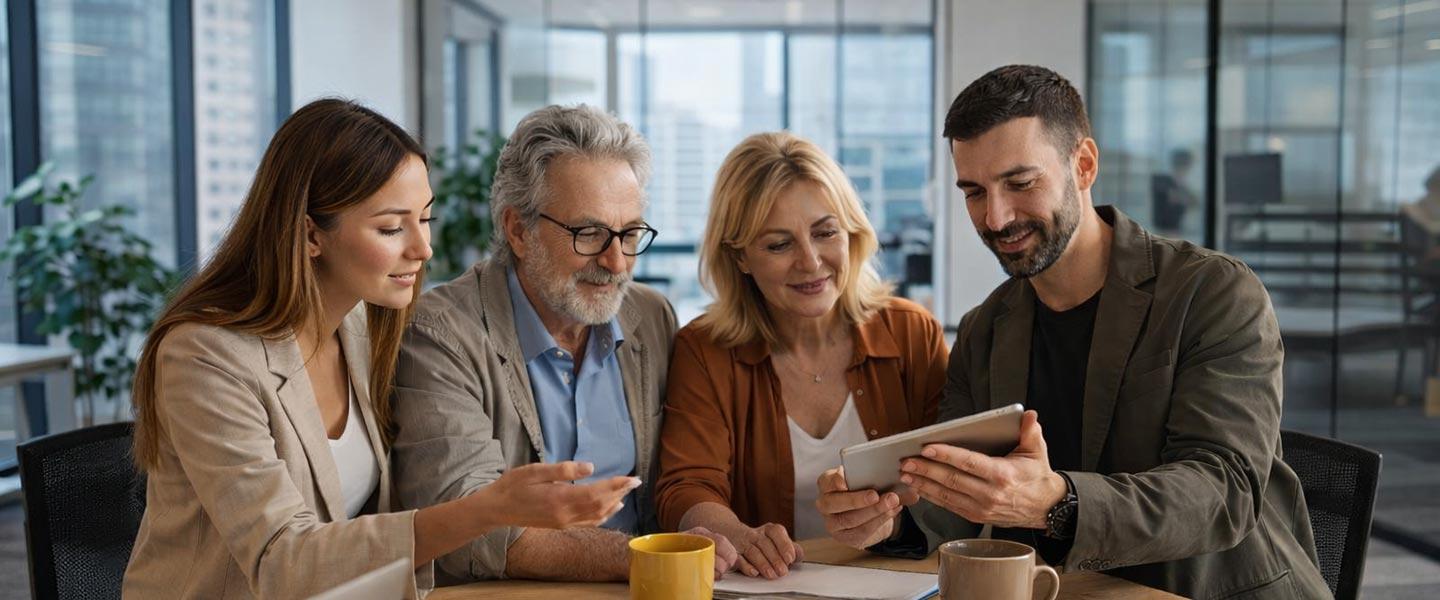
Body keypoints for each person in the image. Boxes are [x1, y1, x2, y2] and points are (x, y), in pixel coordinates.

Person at [816, 65, 1331, 599]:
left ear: (1083, 165)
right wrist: (889, 521)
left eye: (1020, 183)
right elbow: (956, 502)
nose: (995, 218)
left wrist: (1057, 502)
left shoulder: (1213, 293)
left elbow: (1223, 492)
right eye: (974, 191)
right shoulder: (984, 330)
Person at [123, 99, 636, 599]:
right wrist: (489, 508)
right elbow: (281, 560)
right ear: (309, 235)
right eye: (392, 227)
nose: (423, 248)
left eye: (425, 219)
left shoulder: (364, 328)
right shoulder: (205, 356)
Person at [391, 104, 739, 584]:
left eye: (630, 233)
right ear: (518, 230)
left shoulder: (652, 318)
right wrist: (638, 560)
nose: (616, 262)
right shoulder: (442, 335)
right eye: (589, 234)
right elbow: (464, 528)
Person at [655, 131, 948, 580]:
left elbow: (950, 483)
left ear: (851, 233)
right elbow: (687, 487)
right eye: (778, 244)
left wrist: (890, 525)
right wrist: (738, 534)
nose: (810, 262)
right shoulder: (704, 350)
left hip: (892, 584)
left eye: (825, 232)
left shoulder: (913, 332)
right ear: (741, 258)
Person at [1150, 148, 1197, 236]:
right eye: (1187, 166)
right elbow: (1174, 196)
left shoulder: (1182, 186)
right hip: (1164, 232)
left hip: (1175, 231)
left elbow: (1194, 202)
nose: (1188, 171)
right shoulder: (1162, 181)